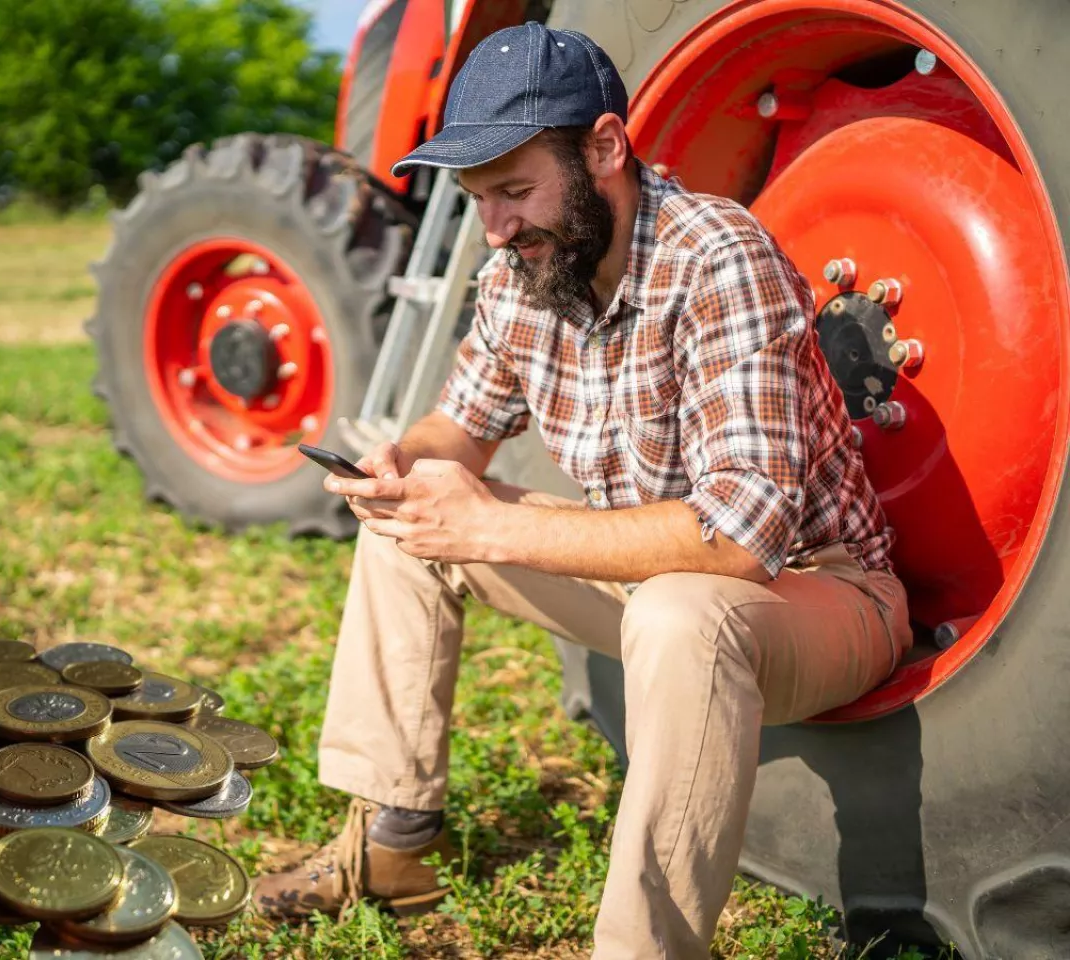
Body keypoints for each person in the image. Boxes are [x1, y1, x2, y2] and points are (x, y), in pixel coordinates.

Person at [253, 20, 913, 959]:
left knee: (683, 616)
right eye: (479, 199)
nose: (498, 226)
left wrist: (489, 528)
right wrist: (406, 464)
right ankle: (390, 847)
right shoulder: (523, 270)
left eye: (516, 190)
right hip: (653, 584)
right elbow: (462, 430)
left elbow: (738, 540)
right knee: (411, 525)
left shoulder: (718, 257)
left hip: (817, 594)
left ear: (605, 147)